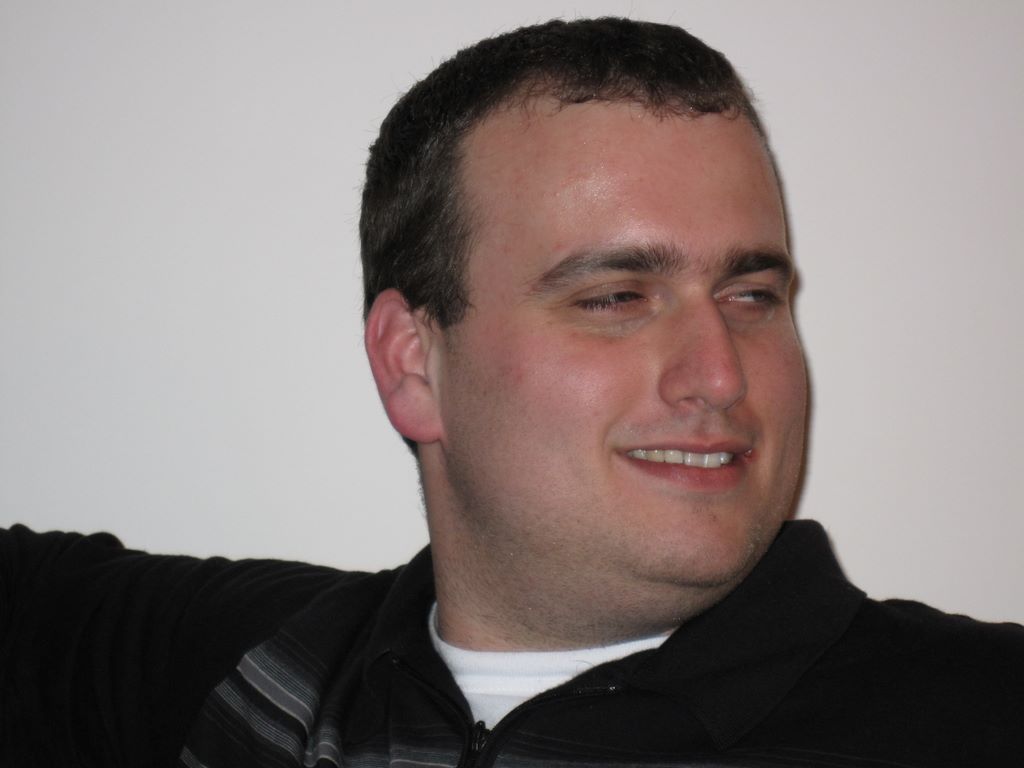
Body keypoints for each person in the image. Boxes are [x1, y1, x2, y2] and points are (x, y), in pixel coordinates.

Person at [1, 17, 1021, 768]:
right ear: (413, 363)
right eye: (616, 298)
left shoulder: (979, 716)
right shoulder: (257, 672)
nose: (720, 374)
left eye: (750, 295)